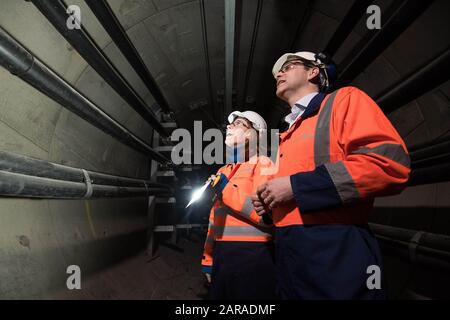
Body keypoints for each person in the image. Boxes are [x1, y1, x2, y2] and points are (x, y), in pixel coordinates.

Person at [252, 51, 411, 299]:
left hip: (334, 248)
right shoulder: (286, 133)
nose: (279, 74)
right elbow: (290, 194)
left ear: (313, 71)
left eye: (288, 66)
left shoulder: (344, 101)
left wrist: (295, 186)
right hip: (288, 251)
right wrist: (270, 206)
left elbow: (389, 164)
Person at [201, 111, 276, 300]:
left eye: (239, 123)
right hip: (222, 254)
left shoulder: (263, 164)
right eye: (230, 124)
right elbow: (215, 218)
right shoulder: (224, 170)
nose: (229, 127)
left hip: (253, 256)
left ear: (253, 134)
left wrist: (226, 189)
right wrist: (208, 257)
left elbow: (265, 216)